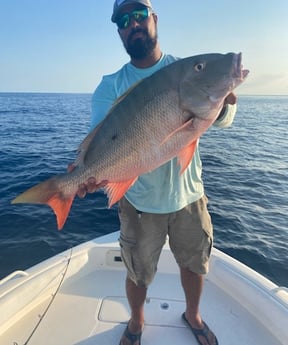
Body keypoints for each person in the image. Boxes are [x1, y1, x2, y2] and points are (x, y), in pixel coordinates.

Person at [77, 1, 237, 344]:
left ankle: (192, 315)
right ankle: (136, 323)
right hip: (137, 204)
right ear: (119, 30)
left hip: (189, 197)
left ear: (154, 19)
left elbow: (220, 118)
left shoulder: (185, 70)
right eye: (123, 20)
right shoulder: (110, 86)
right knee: (138, 273)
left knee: (195, 265)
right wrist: (85, 175)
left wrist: (224, 98)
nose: (132, 23)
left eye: (139, 15)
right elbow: (99, 146)